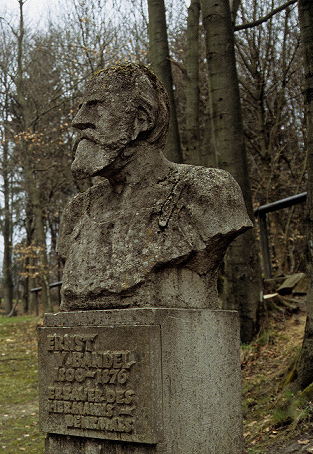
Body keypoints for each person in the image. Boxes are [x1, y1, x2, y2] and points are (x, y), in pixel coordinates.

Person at [58, 62, 251, 311]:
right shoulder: (76, 212)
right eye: (82, 107)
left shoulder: (207, 193)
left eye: (96, 106)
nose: (78, 121)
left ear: (142, 120)